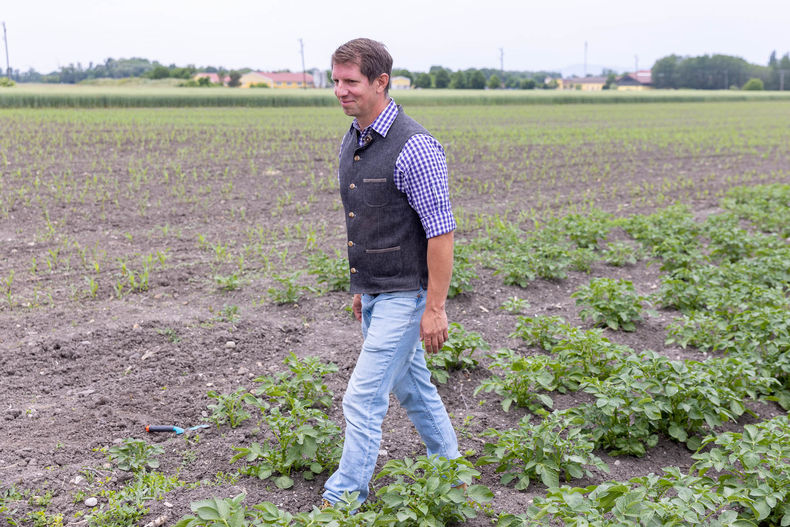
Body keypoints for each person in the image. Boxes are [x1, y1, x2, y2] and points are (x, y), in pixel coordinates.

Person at [322, 38, 460, 506]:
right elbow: (369, 218)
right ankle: (449, 467)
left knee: (361, 398)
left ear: (381, 81)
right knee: (413, 388)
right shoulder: (356, 137)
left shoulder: (414, 146)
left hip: (407, 295)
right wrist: (363, 287)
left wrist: (435, 307)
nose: (340, 90)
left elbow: (440, 232)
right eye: (336, 80)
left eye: (351, 82)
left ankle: (344, 498)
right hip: (376, 293)